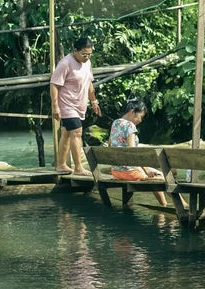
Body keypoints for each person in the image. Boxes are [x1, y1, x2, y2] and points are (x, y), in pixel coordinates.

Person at [50, 36, 101, 174]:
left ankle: (60, 165)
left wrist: (94, 101)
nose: (87, 57)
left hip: (80, 104)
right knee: (77, 132)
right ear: (75, 51)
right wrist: (55, 106)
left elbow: (89, 82)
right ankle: (78, 167)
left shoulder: (87, 63)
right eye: (84, 54)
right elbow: (54, 84)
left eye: (89, 54)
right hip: (66, 104)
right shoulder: (66, 63)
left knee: (66, 133)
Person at [108, 97, 169, 208]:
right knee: (166, 178)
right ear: (132, 112)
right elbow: (133, 152)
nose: (140, 120)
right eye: (140, 116)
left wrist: (146, 169)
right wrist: (145, 169)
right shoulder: (130, 126)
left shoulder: (115, 123)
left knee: (156, 174)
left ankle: (164, 205)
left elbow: (110, 145)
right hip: (129, 172)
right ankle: (180, 206)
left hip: (116, 171)